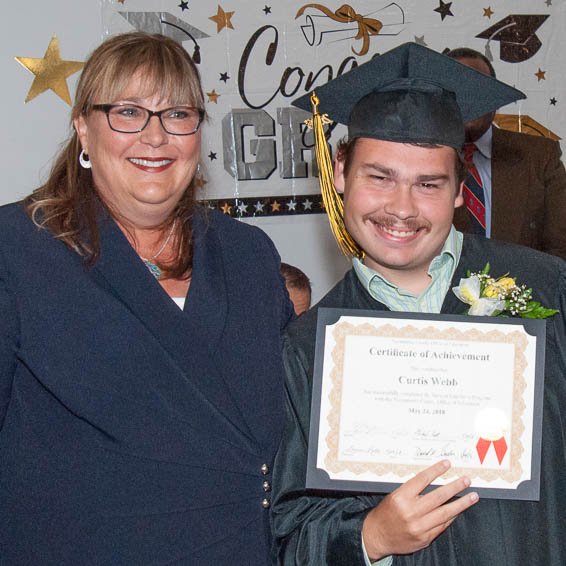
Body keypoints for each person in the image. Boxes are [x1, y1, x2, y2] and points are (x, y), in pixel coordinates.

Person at [0, 32, 294, 565]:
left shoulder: (248, 253)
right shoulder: (17, 251)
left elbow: (287, 428)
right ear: (83, 129)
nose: (156, 137)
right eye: (128, 112)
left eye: (178, 115)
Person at [271, 42, 566, 565]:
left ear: (459, 187)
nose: (401, 209)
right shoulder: (306, 347)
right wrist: (370, 538)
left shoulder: (548, 291)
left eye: (428, 183)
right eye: (379, 176)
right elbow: (290, 533)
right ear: (340, 173)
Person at [446, 47, 566, 260]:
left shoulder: (541, 156)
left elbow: (560, 246)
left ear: (496, 97)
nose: (470, 100)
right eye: (458, 89)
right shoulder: (415, 160)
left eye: (480, 89)